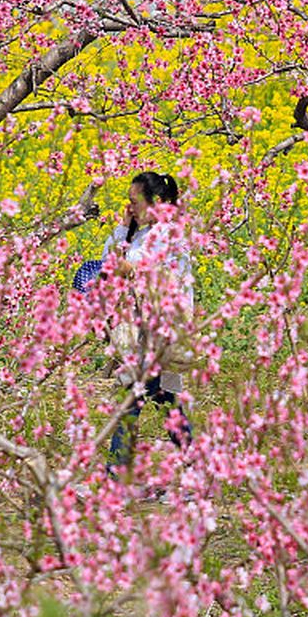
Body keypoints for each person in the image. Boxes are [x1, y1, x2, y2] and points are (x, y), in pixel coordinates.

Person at [101, 171, 194, 478]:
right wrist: (124, 227)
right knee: (168, 402)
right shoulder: (139, 233)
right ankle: (194, 465)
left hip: (164, 336)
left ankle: (115, 474)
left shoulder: (170, 236)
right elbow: (109, 261)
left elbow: (135, 269)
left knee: (132, 398)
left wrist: (127, 264)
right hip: (146, 336)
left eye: (135, 202)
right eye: (129, 202)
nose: (131, 207)